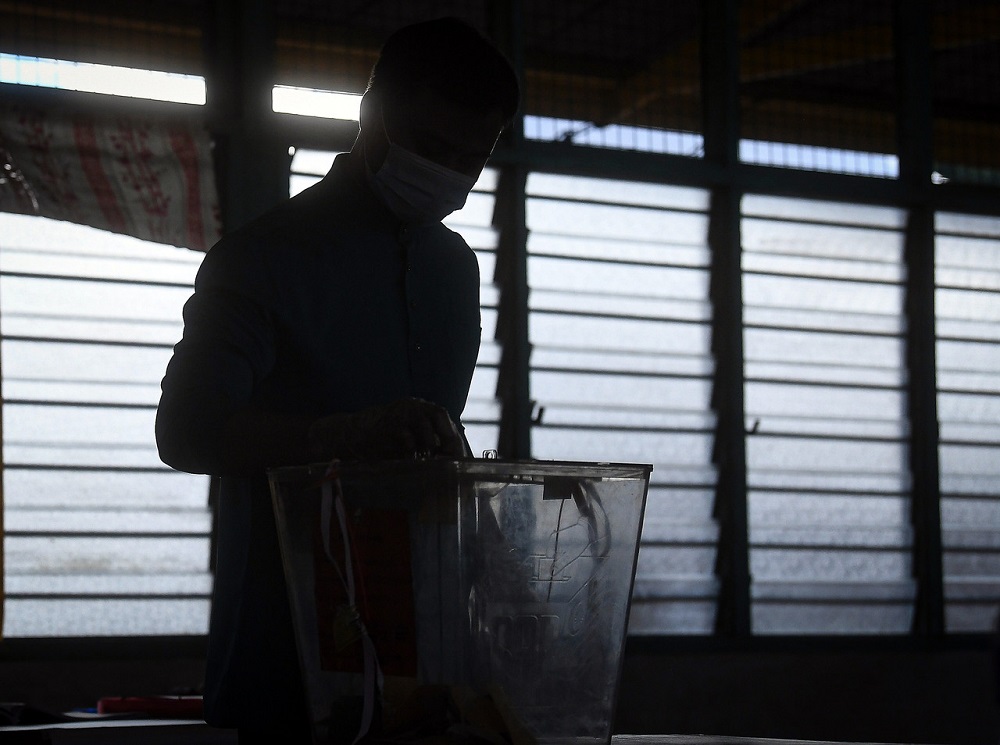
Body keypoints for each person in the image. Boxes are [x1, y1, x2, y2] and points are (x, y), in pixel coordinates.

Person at [155, 17, 520, 743]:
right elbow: (185, 429)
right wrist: (339, 437)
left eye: (468, 159)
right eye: (430, 145)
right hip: (282, 663)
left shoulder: (456, 271)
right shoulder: (261, 260)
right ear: (370, 114)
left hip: (423, 662)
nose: (446, 170)